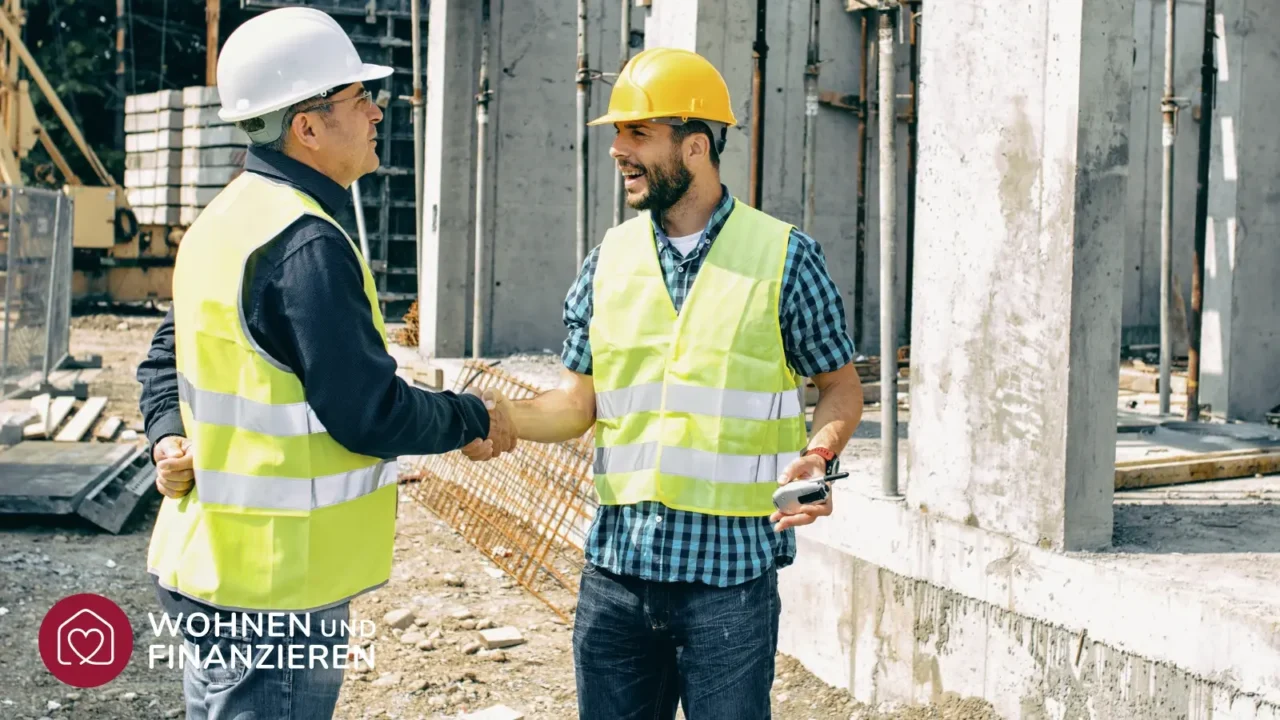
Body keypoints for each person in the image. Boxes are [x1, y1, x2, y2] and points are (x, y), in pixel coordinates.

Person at [134, 8, 514, 719]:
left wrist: (164, 433)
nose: (377, 111)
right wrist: (471, 416)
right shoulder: (304, 243)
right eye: (356, 98)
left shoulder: (227, 221)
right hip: (275, 591)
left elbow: (162, 357)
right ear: (306, 127)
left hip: (210, 565)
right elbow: (367, 411)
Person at [473, 47, 864, 719]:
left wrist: (818, 456)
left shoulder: (784, 257)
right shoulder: (607, 261)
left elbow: (840, 386)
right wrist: (486, 418)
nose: (618, 151)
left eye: (637, 134)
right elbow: (574, 404)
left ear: (696, 147)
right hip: (616, 577)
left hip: (728, 584)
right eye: (618, 134)